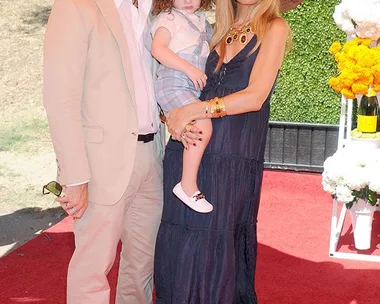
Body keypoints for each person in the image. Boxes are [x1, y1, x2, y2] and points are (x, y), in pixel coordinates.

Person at [154, 0, 291, 302]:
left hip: (233, 158)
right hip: (189, 149)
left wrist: (195, 109)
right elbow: (178, 84)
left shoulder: (274, 28)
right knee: (179, 247)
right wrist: (173, 118)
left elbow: (255, 97)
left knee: (216, 250)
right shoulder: (212, 30)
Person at [43, 0, 163, 303]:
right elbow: (61, 98)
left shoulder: (148, 9)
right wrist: (73, 176)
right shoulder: (75, 6)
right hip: (100, 165)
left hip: (153, 155)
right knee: (92, 272)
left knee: (141, 270)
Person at [150, 0, 214, 213]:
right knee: (203, 123)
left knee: (198, 127)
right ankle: (187, 186)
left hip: (190, 86)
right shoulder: (169, 18)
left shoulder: (203, 22)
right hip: (174, 82)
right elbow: (157, 49)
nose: (188, 0)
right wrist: (189, 69)